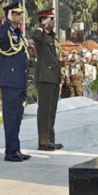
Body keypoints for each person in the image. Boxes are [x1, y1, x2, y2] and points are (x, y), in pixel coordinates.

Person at [0, 1, 31, 162]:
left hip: (19, 80)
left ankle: (15, 148)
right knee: (10, 117)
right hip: (9, 80)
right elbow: (0, 38)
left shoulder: (18, 32)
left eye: (20, 14)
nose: (21, 17)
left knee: (17, 117)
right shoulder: (4, 31)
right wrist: (7, 22)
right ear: (10, 15)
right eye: (17, 14)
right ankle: (10, 151)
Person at [31, 8, 63, 152]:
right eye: (51, 19)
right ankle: (43, 141)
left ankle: (50, 139)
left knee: (51, 110)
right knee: (44, 110)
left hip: (54, 77)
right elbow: (35, 37)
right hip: (45, 77)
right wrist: (40, 25)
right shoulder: (40, 35)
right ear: (44, 20)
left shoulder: (52, 37)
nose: (54, 21)